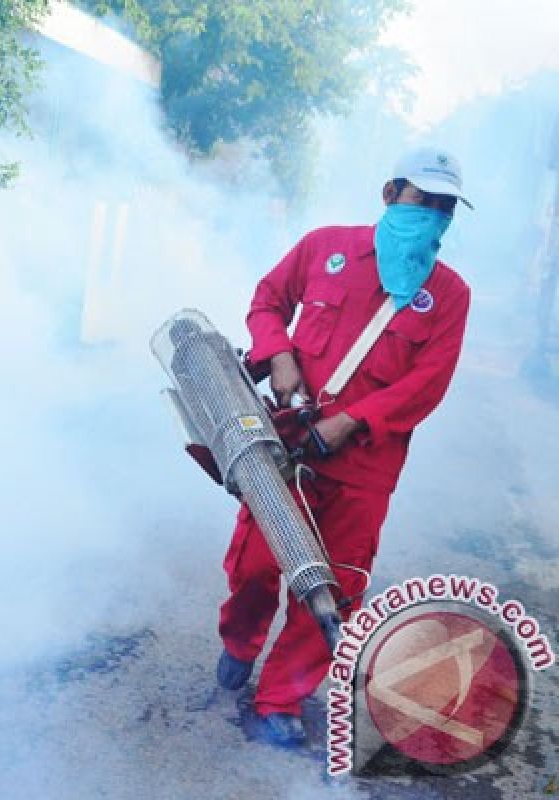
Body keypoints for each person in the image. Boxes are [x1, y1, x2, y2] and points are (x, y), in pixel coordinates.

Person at [215, 146, 473, 746]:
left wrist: (354, 420)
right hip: (288, 448)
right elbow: (267, 301)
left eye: (445, 207)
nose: (432, 214)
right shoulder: (324, 247)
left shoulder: (450, 294)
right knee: (255, 565)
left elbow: (427, 381)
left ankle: (279, 698)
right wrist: (277, 354)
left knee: (334, 586)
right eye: (421, 199)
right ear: (390, 194)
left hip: (364, 469)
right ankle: (239, 640)